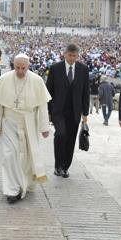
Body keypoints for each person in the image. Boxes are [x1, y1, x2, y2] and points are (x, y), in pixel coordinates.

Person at [0, 54, 52, 203]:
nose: (20, 71)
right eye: (17, 67)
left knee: (26, 157)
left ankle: (25, 184)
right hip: (9, 122)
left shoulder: (37, 80)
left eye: (23, 68)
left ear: (28, 66)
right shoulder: (4, 79)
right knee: (9, 155)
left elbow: (43, 106)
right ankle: (12, 190)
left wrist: (45, 127)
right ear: (13, 65)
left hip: (29, 123)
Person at [45, 42, 90, 178]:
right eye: (70, 55)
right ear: (65, 54)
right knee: (60, 135)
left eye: (74, 56)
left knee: (70, 139)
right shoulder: (55, 68)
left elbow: (85, 92)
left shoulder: (83, 69)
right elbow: (48, 91)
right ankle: (58, 165)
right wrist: (48, 111)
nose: (72, 58)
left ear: (77, 55)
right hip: (58, 111)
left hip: (75, 111)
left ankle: (65, 167)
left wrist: (85, 113)